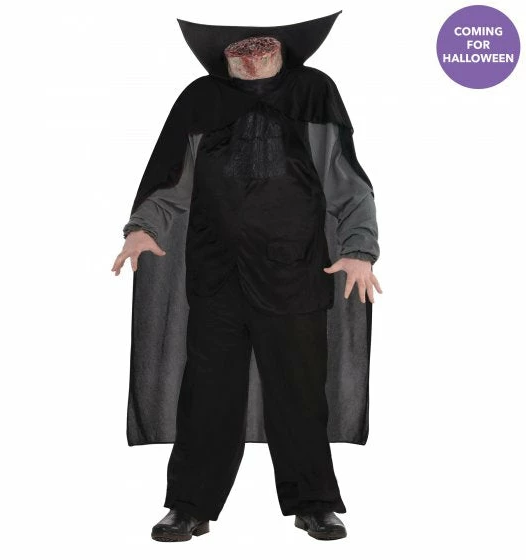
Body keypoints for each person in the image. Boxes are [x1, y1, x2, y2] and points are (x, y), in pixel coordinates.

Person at [112, 11, 382, 542]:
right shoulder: (200, 99)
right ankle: (189, 505)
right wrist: (143, 227)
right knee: (207, 393)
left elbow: (347, 179)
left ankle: (314, 503)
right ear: (225, 55)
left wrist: (359, 248)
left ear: (281, 49)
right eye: (242, 49)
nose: (252, 57)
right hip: (218, 274)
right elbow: (171, 180)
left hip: (295, 270)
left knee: (300, 391)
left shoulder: (313, 93)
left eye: (262, 47)